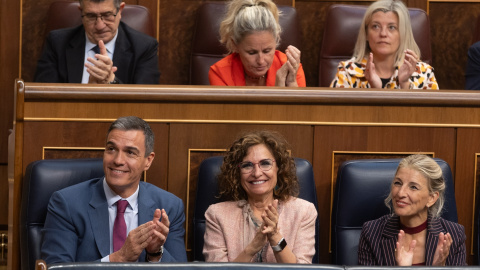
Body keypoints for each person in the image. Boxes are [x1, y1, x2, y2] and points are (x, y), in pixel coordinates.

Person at [41, 116, 187, 263]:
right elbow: (56, 267)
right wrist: (119, 258)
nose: (117, 160)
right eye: (111, 149)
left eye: (130, 152)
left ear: (148, 161)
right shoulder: (67, 204)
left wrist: (155, 253)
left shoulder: (169, 207)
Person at [203, 130, 316, 263]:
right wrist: (252, 248)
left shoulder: (303, 211)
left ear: (278, 168)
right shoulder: (217, 215)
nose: (257, 173)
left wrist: (275, 237)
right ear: (237, 173)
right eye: (247, 166)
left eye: (265, 163)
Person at [358, 154, 466, 266]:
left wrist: (438, 268)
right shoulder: (371, 233)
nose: (400, 193)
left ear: (431, 198)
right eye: (398, 183)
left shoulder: (454, 235)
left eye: (413, 187)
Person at [34, 0, 160, 84]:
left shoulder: (144, 47)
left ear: (120, 10)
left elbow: (145, 105)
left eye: (107, 15)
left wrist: (111, 81)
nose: (100, 26)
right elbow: (42, 98)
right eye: (91, 16)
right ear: (81, 12)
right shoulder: (57, 43)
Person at [330, 0, 438, 89]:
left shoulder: (424, 74)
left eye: (391, 27)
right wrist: (374, 91)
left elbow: (431, 115)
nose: (383, 34)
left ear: (402, 34)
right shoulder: (347, 72)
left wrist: (405, 85)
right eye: (376, 26)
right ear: (366, 34)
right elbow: (336, 114)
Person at [208, 0, 306, 87]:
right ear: (235, 45)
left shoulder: (291, 67)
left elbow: (301, 108)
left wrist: (291, 84)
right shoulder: (220, 73)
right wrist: (278, 91)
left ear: (276, 39)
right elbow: (230, 108)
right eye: (252, 52)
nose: (261, 61)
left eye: (267, 51)